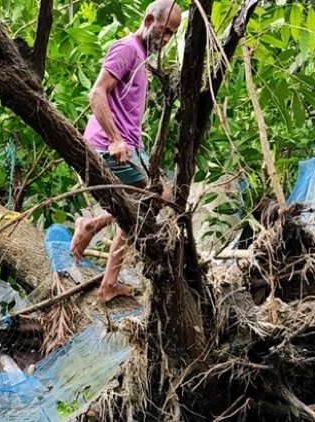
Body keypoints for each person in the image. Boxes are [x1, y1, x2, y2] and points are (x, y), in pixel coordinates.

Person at [70, 0, 182, 303]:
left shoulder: (143, 56)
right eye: (165, 30)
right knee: (159, 196)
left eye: (173, 34)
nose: (167, 39)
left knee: (139, 210)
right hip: (108, 146)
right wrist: (116, 139)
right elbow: (97, 92)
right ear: (148, 19)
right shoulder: (128, 48)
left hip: (129, 146)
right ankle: (90, 224)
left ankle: (108, 284)